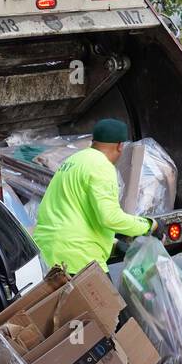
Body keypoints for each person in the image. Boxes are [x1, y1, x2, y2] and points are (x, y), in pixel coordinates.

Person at [32, 118, 156, 275]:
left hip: (49, 254)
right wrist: (149, 225)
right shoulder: (101, 166)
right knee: (106, 300)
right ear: (120, 146)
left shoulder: (74, 160)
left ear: (94, 141)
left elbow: (76, 212)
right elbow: (110, 217)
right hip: (78, 259)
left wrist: (114, 243)